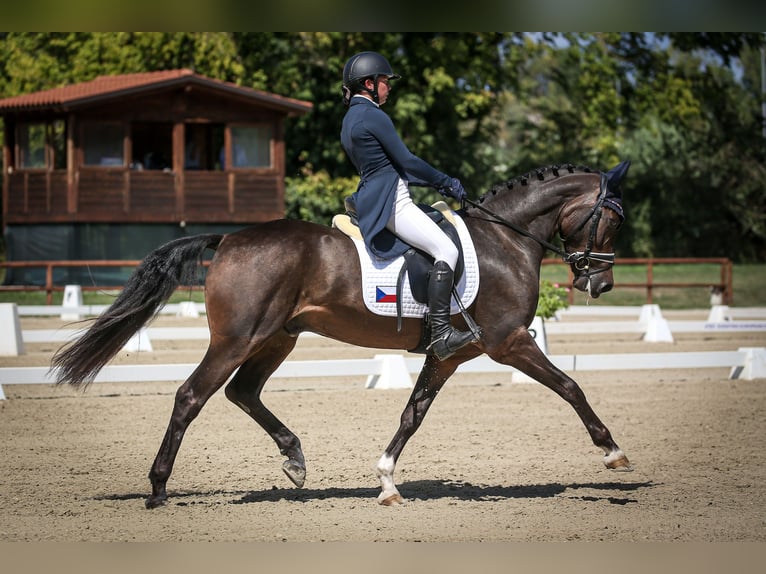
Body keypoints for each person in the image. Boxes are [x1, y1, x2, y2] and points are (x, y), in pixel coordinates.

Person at [340, 51, 480, 360]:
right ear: (369, 84)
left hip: (379, 194)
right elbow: (406, 161)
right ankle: (442, 333)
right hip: (392, 202)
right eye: (385, 82)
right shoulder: (373, 115)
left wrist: (433, 182)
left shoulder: (351, 118)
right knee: (447, 250)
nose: (388, 87)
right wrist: (446, 181)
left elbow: (388, 168)